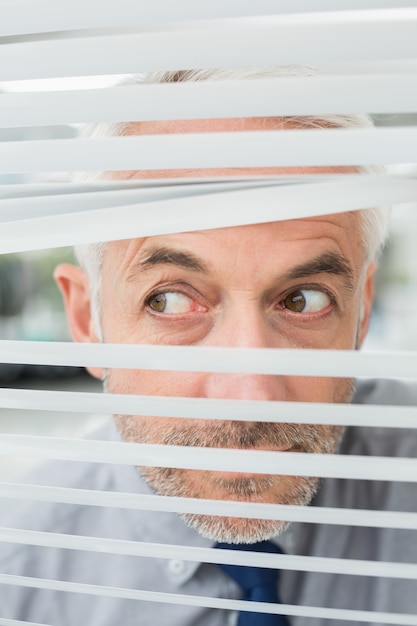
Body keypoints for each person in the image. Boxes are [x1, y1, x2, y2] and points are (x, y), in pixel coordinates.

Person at [0, 67, 416, 625]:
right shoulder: (19, 576)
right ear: (86, 319)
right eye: (169, 302)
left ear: (361, 310)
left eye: (303, 300)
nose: (249, 394)